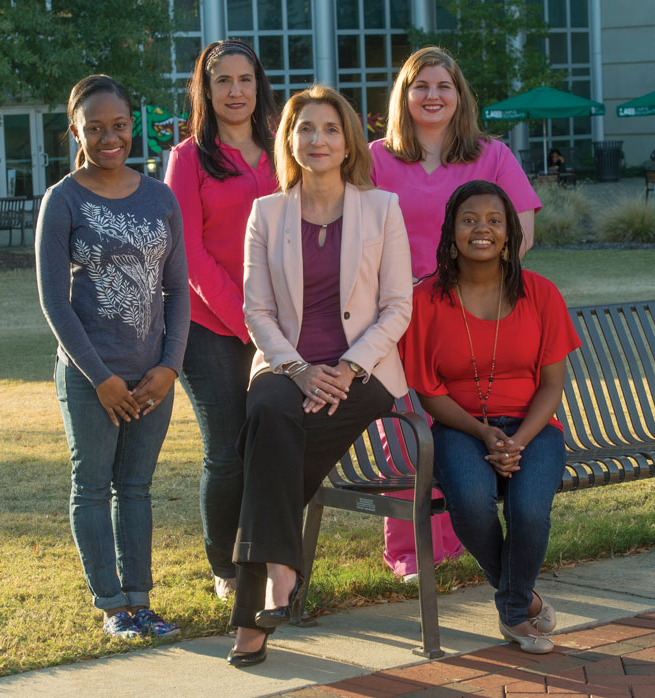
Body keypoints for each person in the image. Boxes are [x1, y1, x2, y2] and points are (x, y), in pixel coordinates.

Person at [227, 85, 412, 667]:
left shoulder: (382, 208)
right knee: (267, 409)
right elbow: (256, 310)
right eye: (305, 128)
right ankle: (279, 576)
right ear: (289, 140)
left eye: (330, 128)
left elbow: (397, 306)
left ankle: (257, 612)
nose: (318, 139)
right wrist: (302, 371)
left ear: (349, 139)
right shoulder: (267, 212)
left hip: (368, 370)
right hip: (289, 363)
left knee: (266, 450)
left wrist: (349, 367)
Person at [370, 46, 542, 582]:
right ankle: (411, 548)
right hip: (395, 313)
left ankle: (458, 539)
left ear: (459, 94)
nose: (432, 96)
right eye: (420, 86)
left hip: (464, 312)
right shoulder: (374, 157)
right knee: (402, 427)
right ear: (404, 95)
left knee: (456, 423)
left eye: (443, 86)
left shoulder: (490, 155)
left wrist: (479, 290)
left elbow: (522, 229)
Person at [36, 75, 190, 640]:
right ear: (75, 130)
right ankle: (112, 606)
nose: (109, 137)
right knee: (94, 485)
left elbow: (177, 290)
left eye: (119, 125)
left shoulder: (159, 197)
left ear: (133, 125)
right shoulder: (63, 199)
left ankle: (141, 601)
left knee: (137, 487)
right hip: (89, 377)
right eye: (95, 127)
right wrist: (99, 379)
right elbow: (54, 299)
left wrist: (169, 367)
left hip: (151, 376)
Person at [399, 179, 580, 654]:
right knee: (474, 501)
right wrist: (482, 432)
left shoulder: (540, 293)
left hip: (533, 429)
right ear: (451, 231)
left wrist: (517, 439)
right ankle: (523, 607)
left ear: (510, 233)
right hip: (459, 428)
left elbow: (552, 384)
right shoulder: (426, 301)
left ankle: (514, 609)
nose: (483, 229)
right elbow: (429, 391)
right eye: (470, 219)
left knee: (527, 509)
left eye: (495, 220)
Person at [164, 40, 278, 602]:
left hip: (283, 324)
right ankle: (226, 567)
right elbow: (187, 254)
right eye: (223, 82)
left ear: (259, 86)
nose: (236, 92)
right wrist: (247, 321)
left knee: (274, 444)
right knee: (228, 448)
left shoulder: (284, 151)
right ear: (205, 91)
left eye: (245, 80)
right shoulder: (189, 158)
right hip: (210, 328)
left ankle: (270, 554)